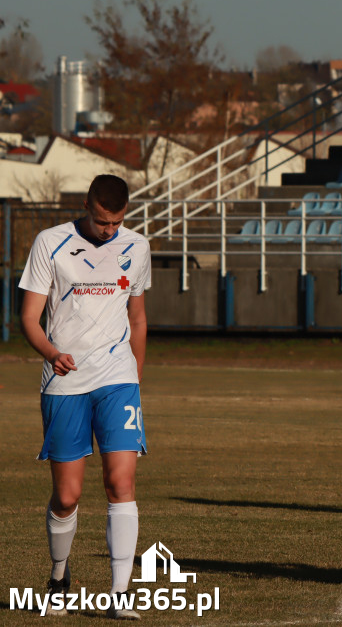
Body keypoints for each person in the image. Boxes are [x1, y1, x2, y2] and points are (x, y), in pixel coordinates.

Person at [19, 174, 151, 620]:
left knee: (120, 483)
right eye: (100, 221)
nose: (107, 230)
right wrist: (52, 354)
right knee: (68, 496)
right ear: (86, 206)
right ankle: (58, 577)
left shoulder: (137, 247)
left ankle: (119, 594)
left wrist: (135, 376)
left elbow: (138, 318)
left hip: (117, 379)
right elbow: (30, 317)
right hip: (66, 382)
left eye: (115, 223)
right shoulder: (49, 243)